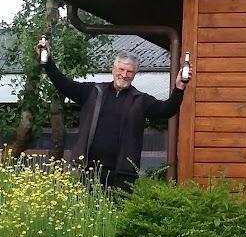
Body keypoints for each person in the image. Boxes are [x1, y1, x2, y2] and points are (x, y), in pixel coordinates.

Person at [35, 39, 190, 191]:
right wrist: (48, 62)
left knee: (117, 215)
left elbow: (166, 110)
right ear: (113, 69)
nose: (124, 74)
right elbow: (63, 84)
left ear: (135, 74)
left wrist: (179, 88)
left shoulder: (140, 100)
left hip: (123, 174)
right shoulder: (93, 92)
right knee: (88, 214)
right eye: (121, 69)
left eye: (129, 71)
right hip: (89, 169)